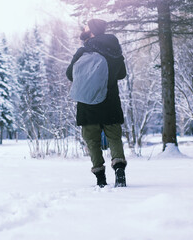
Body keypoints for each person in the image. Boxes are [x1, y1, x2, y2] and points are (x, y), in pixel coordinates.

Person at [66, 19, 127, 188]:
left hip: (88, 103)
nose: (84, 29)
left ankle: (100, 177)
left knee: (92, 140)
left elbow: (70, 74)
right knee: (114, 137)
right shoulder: (115, 51)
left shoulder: (83, 51)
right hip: (110, 101)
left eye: (86, 27)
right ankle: (120, 170)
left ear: (92, 30)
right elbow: (122, 74)